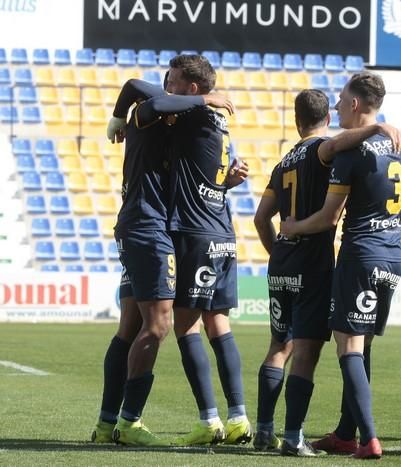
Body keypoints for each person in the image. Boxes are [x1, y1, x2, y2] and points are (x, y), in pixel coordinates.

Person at [253, 89, 401, 456]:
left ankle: (263, 431)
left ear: (296, 119)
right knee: (306, 352)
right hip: (311, 262)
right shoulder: (322, 149)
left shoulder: (283, 161)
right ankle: (292, 438)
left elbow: (261, 218)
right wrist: (376, 127)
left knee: (278, 346)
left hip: (281, 263)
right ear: (325, 119)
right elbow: (335, 146)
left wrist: (278, 251)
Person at [112, 54, 251, 446]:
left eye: (171, 79)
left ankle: (206, 419)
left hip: (191, 231)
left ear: (190, 88)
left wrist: (201, 100)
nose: (165, 84)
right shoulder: (216, 119)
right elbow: (146, 92)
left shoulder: (189, 113)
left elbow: (148, 95)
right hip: (222, 229)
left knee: (177, 324)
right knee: (217, 324)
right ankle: (239, 416)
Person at [91, 78, 172, 446]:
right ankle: (129, 423)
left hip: (136, 224)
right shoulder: (154, 108)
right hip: (147, 229)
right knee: (158, 325)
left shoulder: (161, 119)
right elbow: (135, 84)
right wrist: (117, 115)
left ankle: (108, 424)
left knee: (130, 326)